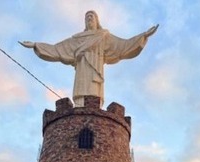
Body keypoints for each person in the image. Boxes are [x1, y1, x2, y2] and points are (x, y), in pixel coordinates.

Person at [19, 10, 159, 107]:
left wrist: (144, 36)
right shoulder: (77, 39)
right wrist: (36, 45)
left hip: (96, 69)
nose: (89, 18)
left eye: (92, 16)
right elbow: (57, 49)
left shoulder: (103, 36)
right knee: (81, 94)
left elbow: (123, 46)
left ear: (97, 20)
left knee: (94, 94)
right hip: (82, 70)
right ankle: (79, 108)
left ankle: (94, 109)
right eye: (87, 17)